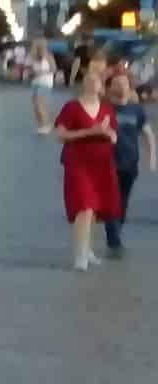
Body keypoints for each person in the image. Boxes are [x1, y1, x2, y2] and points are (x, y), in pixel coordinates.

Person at [54, 63, 120, 271]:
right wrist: (91, 131)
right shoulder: (72, 107)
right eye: (89, 81)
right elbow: (60, 135)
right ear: (83, 84)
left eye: (96, 82)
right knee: (84, 207)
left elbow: (113, 135)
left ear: (102, 87)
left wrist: (110, 135)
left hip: (101, 164)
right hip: (78, 163)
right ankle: (80, 255)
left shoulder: (108, 109)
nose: (92, 84)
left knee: (94, 210)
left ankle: (88, 250)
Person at [102, 70, 153, 258]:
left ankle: (116, 229)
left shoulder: (136, 109)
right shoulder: (103, 109)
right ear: (109, 88)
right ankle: (114, 239)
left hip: (130, 162)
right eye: (117, 83)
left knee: (123, 201)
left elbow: (147, 134)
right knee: (111, 199)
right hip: (107, 163)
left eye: (125, 83)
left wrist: (152, 156)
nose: (122, 87)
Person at [30, 39, 58, 133]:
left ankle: (46, 124)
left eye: (42, 46)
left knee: (40, 104)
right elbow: (31, 70)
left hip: (45, 82)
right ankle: (41, 125)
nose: (40, 48)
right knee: (36, 106)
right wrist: (32, 73)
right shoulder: (34, 57)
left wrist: (42, 72)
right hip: (35, 82)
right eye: (38, 46)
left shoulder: (49, 56)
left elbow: (54, 69)